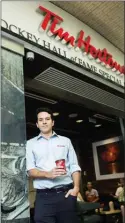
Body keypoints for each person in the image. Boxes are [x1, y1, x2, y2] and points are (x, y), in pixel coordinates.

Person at [26, 107, 81, 223]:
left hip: (65, 194)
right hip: (43, 197)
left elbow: (74, 166)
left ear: (53, 122)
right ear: (37, 124)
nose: (44, 122)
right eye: (41, 120)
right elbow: (30, 170)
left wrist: (76, 188)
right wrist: (47, 174)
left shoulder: (65, 141)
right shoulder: (30, 144)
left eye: (47, 119)